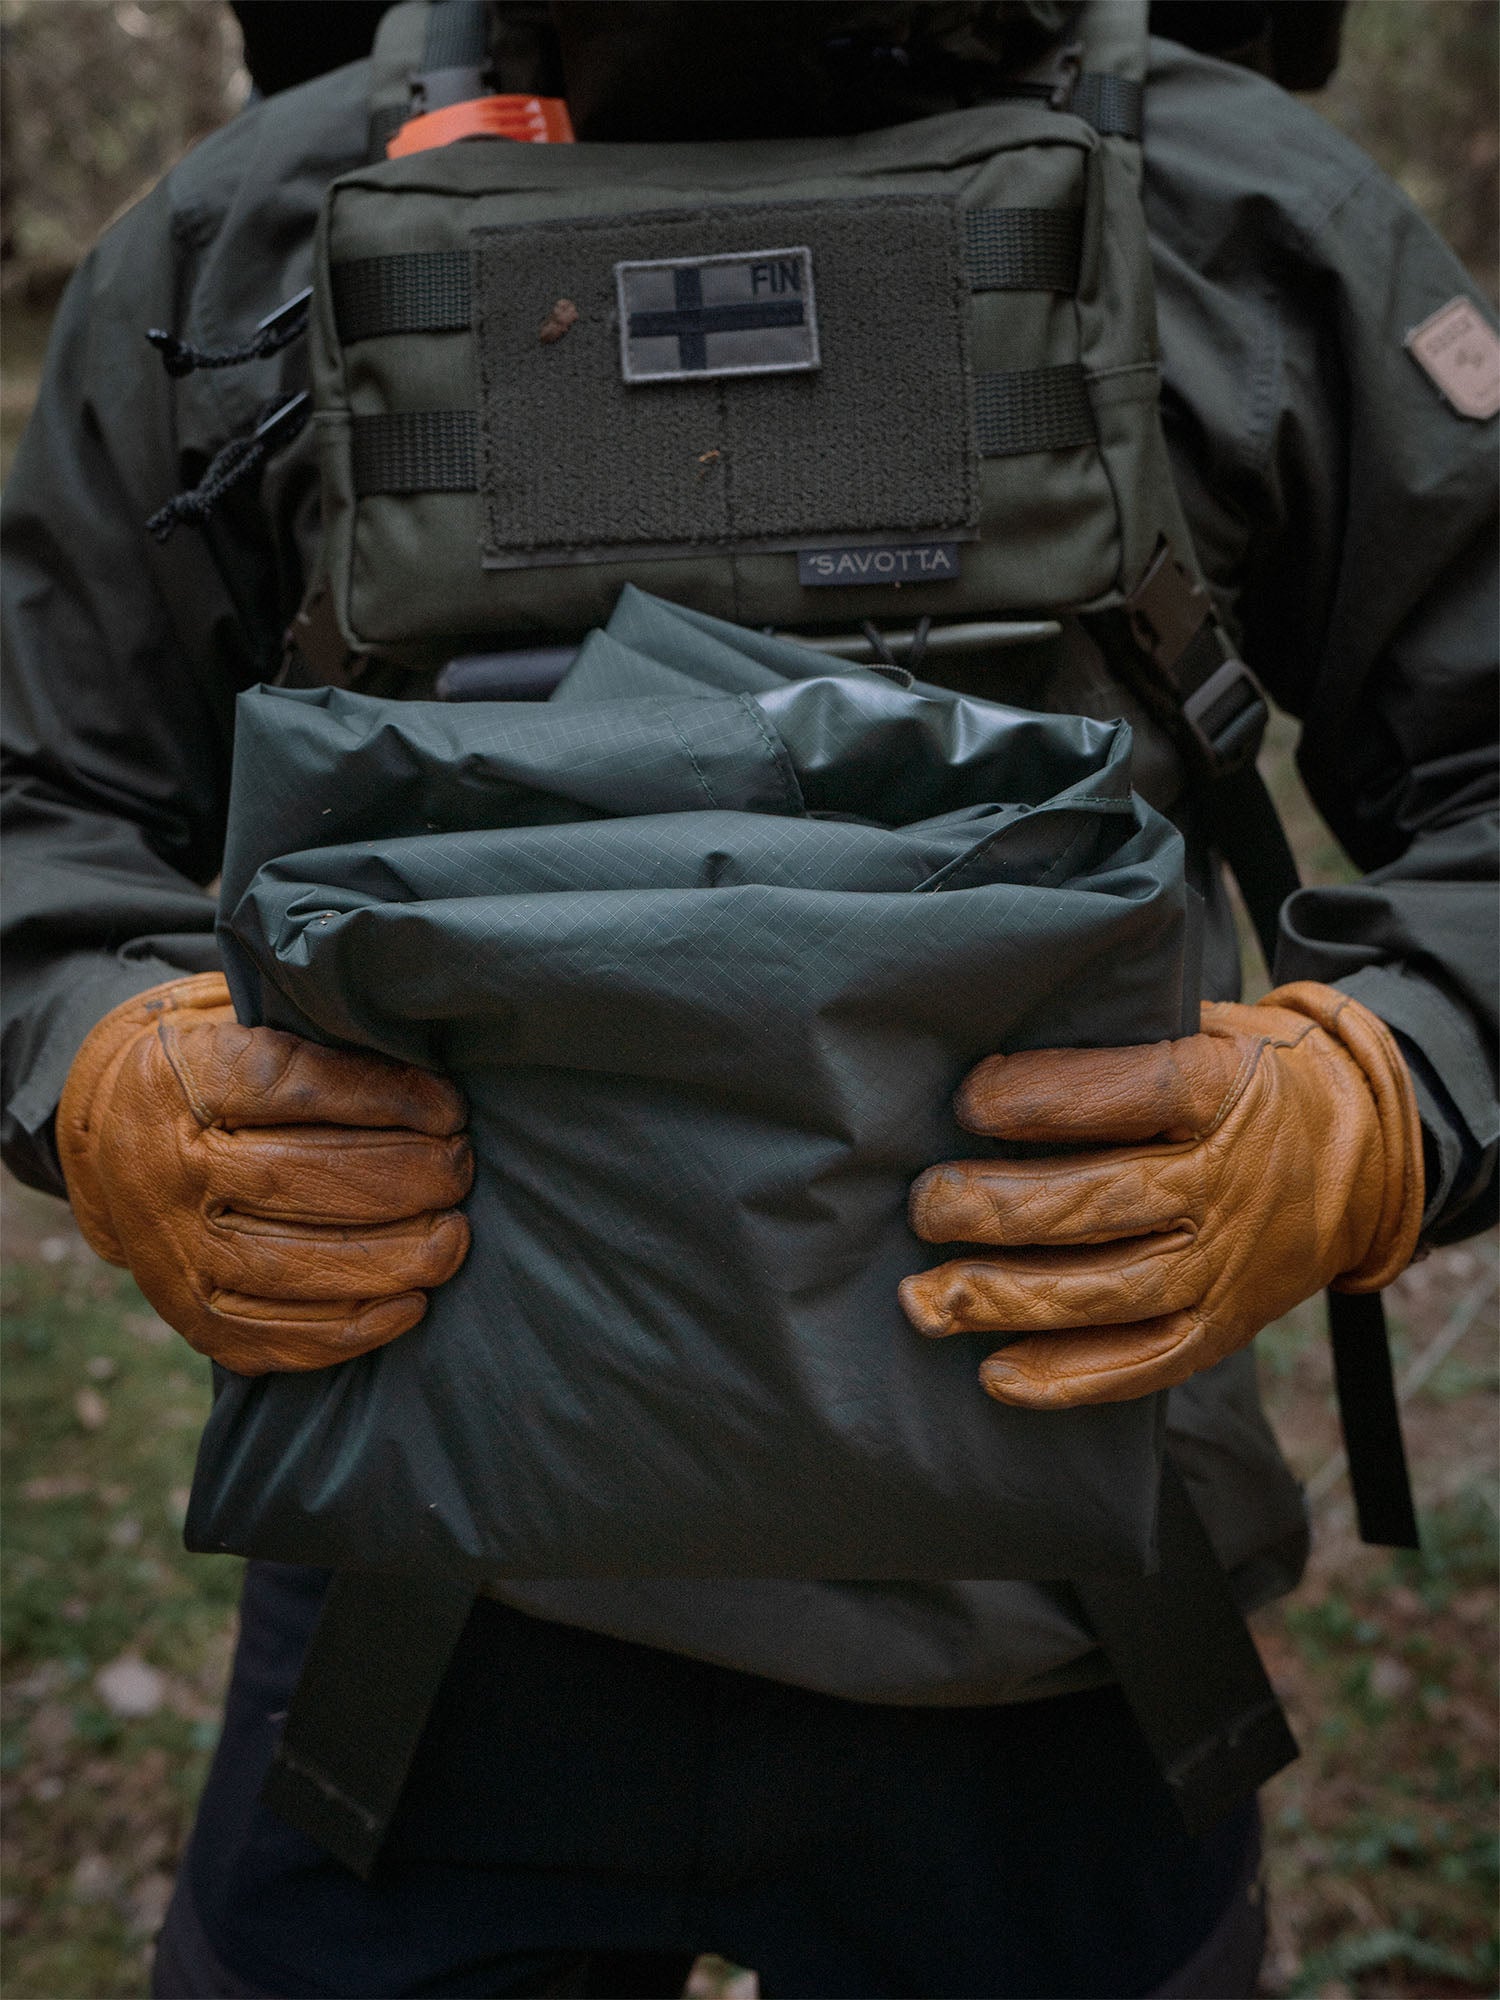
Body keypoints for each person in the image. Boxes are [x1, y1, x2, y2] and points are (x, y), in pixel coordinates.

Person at [3, 4, 1495, 1995]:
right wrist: (100, 1060)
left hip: (1062, 1641)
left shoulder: (1243, 228)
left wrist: (1375, 1099)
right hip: (422, 1634)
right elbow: (41, 791)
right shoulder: (255, 240)